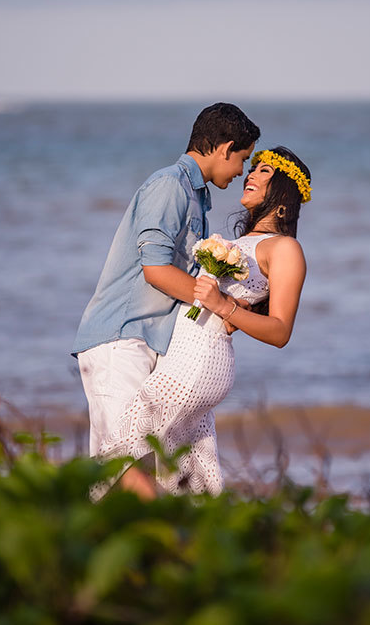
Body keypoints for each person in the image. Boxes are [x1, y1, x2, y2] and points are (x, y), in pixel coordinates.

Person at [93, 145, 311, 498]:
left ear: (284, 194)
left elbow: (280, 331)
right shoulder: (243, 242)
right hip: (185, 357)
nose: (250, 174)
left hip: (198, 362)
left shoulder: (285, 248)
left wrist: (224, 306)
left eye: (264, 171)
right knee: (190, 478)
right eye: (252, 167)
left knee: (118, 454)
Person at [72, 103, 260, 495]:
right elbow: (155, 270)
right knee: (123, 466)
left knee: (144, 464)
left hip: (147, 344)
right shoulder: (170, 186)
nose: (241, 171)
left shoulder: (198, 199)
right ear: (225, 148)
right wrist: (214, 303)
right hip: (120, 339)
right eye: (242, 159)